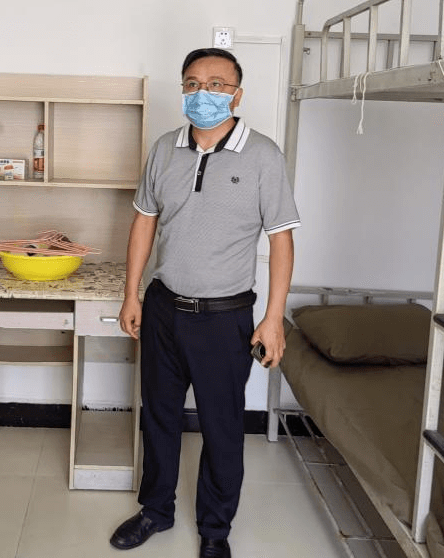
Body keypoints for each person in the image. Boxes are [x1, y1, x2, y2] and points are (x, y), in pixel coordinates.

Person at [109, 49, 300, 558]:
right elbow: (144, 221)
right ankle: (156, 510)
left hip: (224, 318)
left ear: (237, 95)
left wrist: (273, 318)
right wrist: (131, 294)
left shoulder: (263, 155)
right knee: (159, 417)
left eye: (217, 84)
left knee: (222, 428)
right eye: (192, 83)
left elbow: (281, 239)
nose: (203, 93)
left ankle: (216, 529)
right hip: (163, 309)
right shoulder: (164, 149)